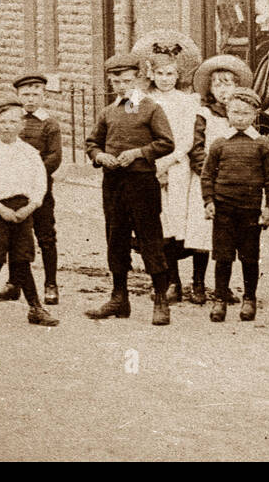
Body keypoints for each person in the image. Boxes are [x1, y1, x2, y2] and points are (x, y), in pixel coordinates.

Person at [84, 53, 176, 325]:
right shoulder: (108, 111)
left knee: (150, 239)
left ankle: (160, 299)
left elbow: (166, 143)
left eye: (126, 80)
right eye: (116, 81)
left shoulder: (150, 108)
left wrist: (138, 153)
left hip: (142, 183)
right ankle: (118, 298)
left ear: (137, 78)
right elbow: (92, 142)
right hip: (113, 183)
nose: (121, 86)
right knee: (116, 239)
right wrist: (100, 156)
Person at [0, 96, 57, 330]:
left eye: (12, 122)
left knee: (22, 261)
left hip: (23, 211)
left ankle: (35, 307)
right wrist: (0, 208)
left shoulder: (29, 153)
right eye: (2, 122)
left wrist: (30, 207)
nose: (7, 126)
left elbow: (39, 184)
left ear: (21, 125)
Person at [202, 87, 269, 322]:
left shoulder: (263, 144)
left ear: (255, 114)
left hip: (250, 210)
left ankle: (249, 299)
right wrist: (208, 201)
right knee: (223, 257)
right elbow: (207, 175)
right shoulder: (219, 144)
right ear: (227, 113)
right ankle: (220, 300)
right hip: (223, 209)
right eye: (235, 112)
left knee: (249, 257)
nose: (239, 118)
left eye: (245, 114)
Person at [187, 54, 254, 305]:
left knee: (227, 238)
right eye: (218, 84)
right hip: (207, 183)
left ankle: (221, 287)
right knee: (203, 235)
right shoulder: (205, 113)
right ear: (210, 89)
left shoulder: (240, 115)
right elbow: (196, 147)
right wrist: (208, 176)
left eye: (228, 84)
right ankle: (197, 284)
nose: (223, 90)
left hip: (233, 185)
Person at [0, 74, 63, 305]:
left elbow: (54, 157)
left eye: (35, 94)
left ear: (44, 96)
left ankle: (50, 284)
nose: (30, 99)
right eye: (25, 95)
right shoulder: (13, 120)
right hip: (13, 189)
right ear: (18, 96)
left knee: (45, 235)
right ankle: (14, 283)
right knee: (15, 235)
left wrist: (33, 175)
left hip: (39, 188)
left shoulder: (49, 123)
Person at [145, 51, 203, 304]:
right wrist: (154, 163)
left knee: (189, 223)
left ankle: (198, 282)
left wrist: (170, 160)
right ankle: (172, 281)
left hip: (180, 165)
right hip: (150, 165)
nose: (165, 79)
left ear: (178, 75)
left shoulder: (188, 100)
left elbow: (189, 137)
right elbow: (127, 123)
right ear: (151, 74)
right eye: (160, 74)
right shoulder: (140, 98)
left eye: (170, 74)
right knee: (162, 225)